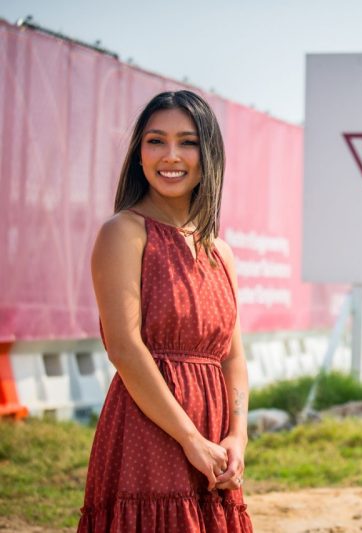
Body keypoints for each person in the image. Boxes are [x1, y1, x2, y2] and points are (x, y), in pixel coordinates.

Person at [78, 90, 253, 532]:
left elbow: (231, 357)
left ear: (208, 154)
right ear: (139, 154)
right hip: (149, 432)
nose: (170, 155)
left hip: (213, 436)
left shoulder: (220, 252)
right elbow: (124, 347)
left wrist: (236, 437)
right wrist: (190, 440)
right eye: (156, 141)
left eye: (187, 142)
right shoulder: (124, 232)